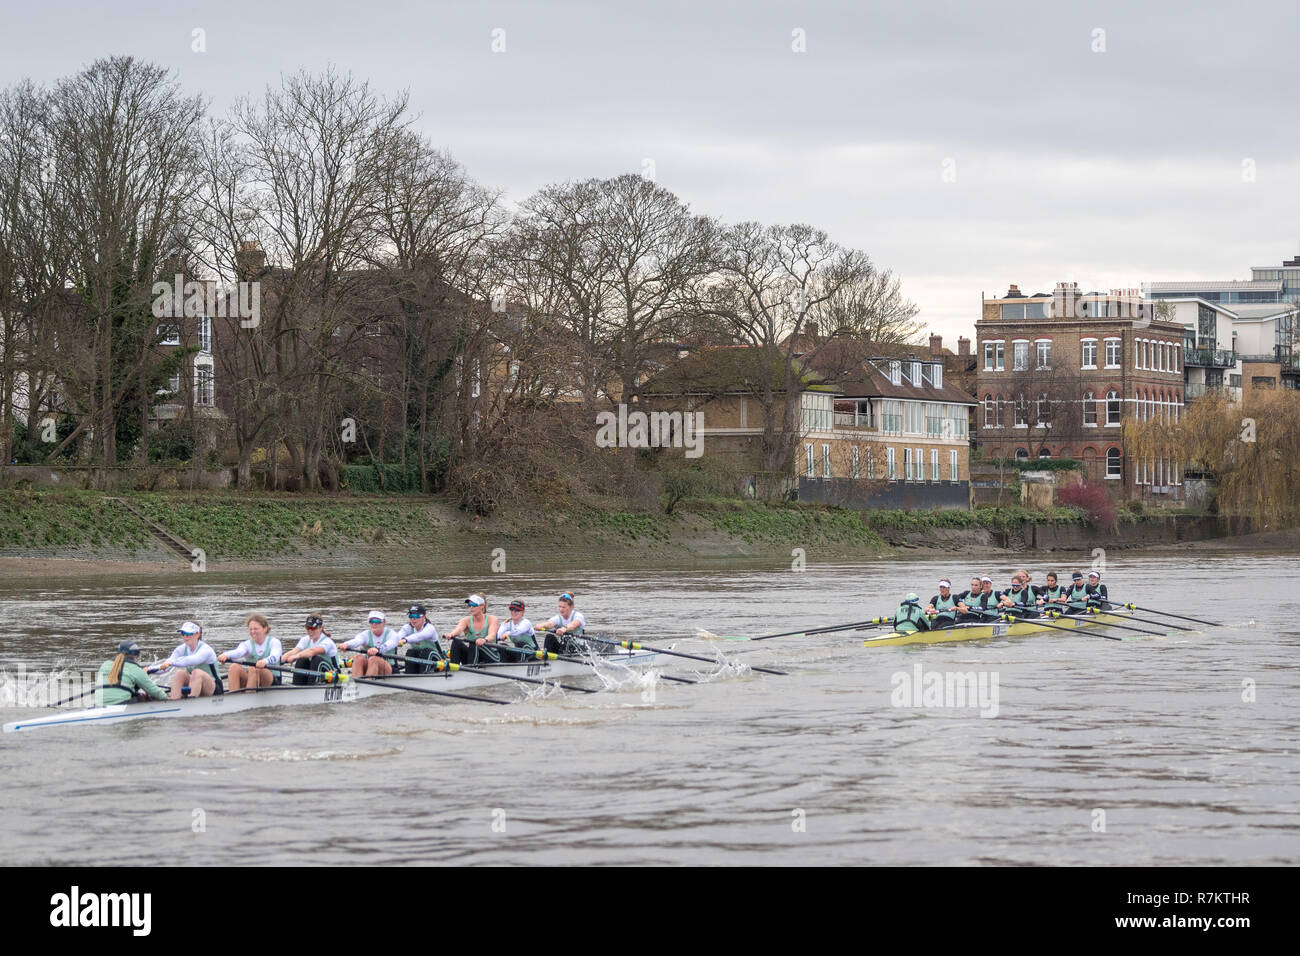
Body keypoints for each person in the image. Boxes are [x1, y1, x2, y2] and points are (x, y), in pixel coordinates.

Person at [218, 614, 282, 691]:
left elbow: (275, 656)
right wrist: (225, 655)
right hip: (253, 678)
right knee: (234, 667)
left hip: (272, 679)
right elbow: (238, 652)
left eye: (255, 629)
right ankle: (234, 697)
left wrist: (265, 661)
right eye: (250, 629)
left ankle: (249, 696)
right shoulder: (247, 644)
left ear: (265, 629)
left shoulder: (274, 642)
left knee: (254, 669)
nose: (252, 632)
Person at [160, 621, 223, 699]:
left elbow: (192, 660)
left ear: (197, 634)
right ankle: (174, 701)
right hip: (196, 686)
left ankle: (191, 702)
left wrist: (171, 662)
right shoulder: (182, 648)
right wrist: (148, 670)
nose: (185, 636)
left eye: (189, 634)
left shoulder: (206, 649)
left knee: (197, 672)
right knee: (180, 673)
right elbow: (166, 666)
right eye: (183, 633)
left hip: (214, 689)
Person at [96, 640, 167, 706]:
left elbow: (122, 684)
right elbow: (154, 691)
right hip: (120, 704)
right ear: (135, 656)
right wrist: (169, 698)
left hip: (99, 704)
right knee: (148, 697)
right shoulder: (136, 669)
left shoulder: (105, 664)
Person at [282, 614, 340, 684]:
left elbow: (312, 651)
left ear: (321, 628)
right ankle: (297, 685)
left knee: (316, 659)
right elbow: (294, 651)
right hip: (317, 672)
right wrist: (277, 661)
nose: (310, 631)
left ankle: (312, 686)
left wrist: (296, 656)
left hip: (333, 674)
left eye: (313, 628)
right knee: (302, 660)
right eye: (308, 628)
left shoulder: (327, 642)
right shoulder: (305, 639)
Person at [339, 611, 399, 677]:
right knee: (359, 658)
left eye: (377, 621)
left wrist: (378, 649)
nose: (374, 624)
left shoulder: (392, 634)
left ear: (384, 622)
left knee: (373, 659)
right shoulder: (365, 634)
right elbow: (356, 641)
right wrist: (346, 644)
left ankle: (367, 682)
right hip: (370, 667)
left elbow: (389, 644)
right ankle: (356, 682)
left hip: (389, 668)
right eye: (371, 621)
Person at [447, 595, 500, 666]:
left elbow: (492, 635)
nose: (471, 608)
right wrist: (451, 634)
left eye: (474, 605)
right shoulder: (465, 620)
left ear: (482, 606)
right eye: (469, 605)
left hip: (491, 656)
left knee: (474, 644)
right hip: (473, 655)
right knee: (456, 642)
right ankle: (453, 668)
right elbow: (458, 629)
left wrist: (485, 640)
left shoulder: (492, 619)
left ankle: (472, 669)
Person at [396, 604, 443, 673]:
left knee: (426, 652)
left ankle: (424, 675)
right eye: (411, 616)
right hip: (420, 659)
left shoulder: (429, 628)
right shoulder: (407, 628)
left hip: (437, 660)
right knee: (410, 652)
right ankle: (410, 674)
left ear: (423, 617)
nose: (413, 619)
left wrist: (405, 640)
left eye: (416, 616)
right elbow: (397, 637)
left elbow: (419, 636)